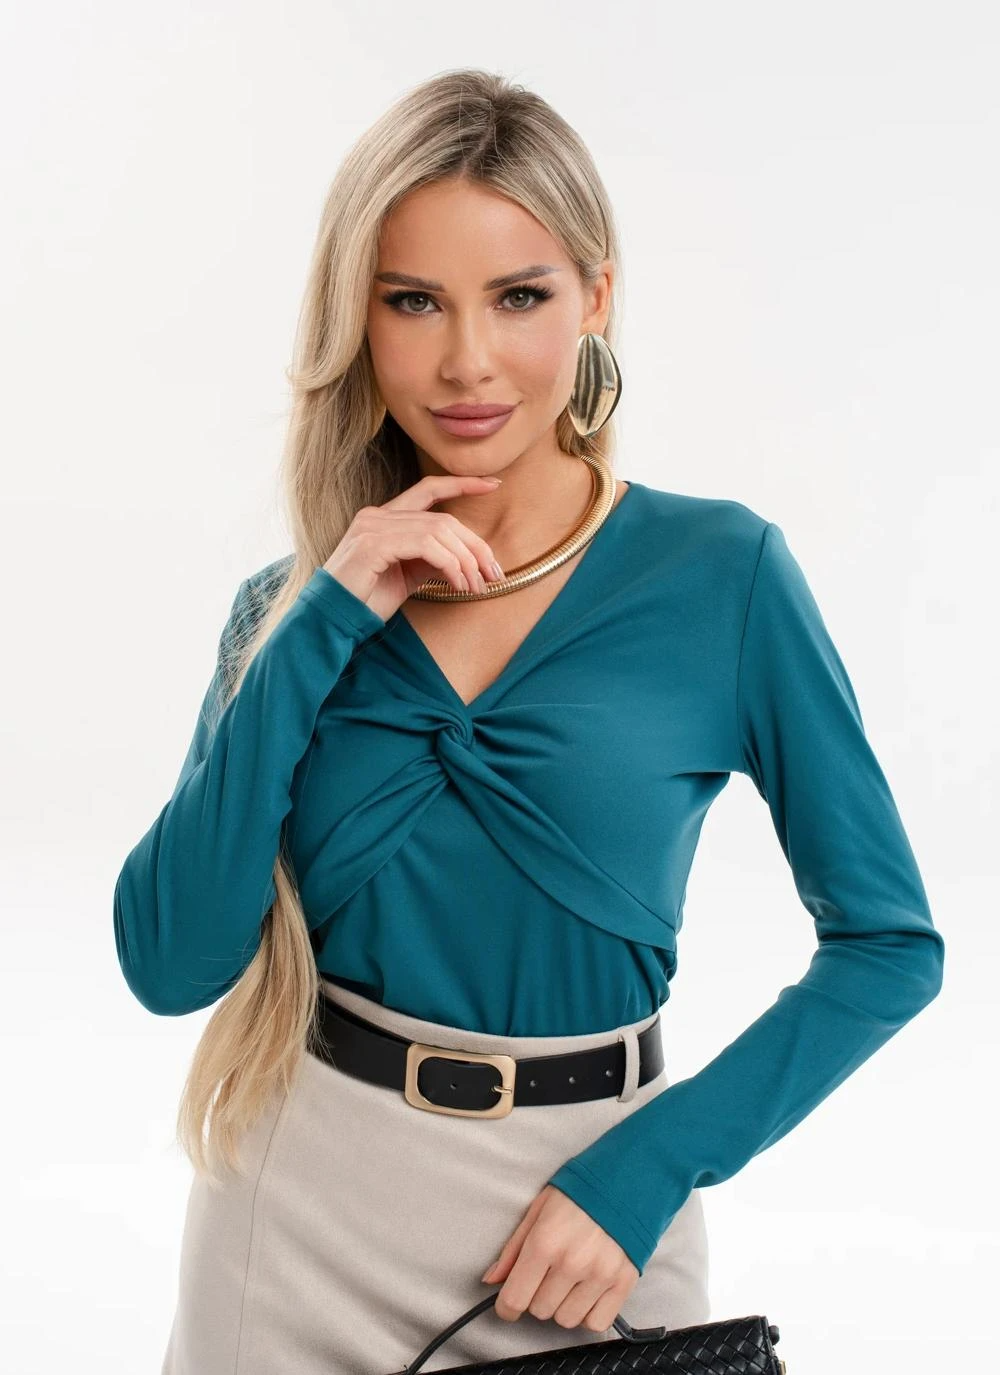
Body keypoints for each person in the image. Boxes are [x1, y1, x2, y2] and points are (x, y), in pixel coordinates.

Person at [113, 68, 945, 1375]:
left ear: (595, 297)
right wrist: (322, 620)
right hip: (293, 1224)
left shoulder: (722, 576)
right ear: (355, 316)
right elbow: (170, 966)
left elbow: (889, 945)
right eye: (412, 301)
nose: (467, 361)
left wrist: (651, 1167)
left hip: (592, 1229)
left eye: (519, 297)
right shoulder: (285, 613)